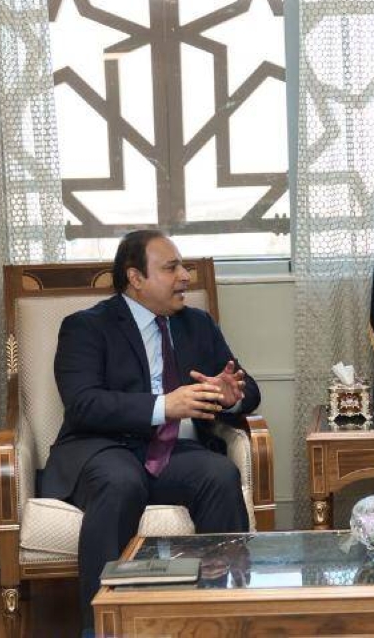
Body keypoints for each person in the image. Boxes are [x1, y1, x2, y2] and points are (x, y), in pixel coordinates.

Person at [40, 230, 260, 632]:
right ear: (135, 278)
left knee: (219, 474)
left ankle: (220, 617)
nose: (185, 276)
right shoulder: (87, 326)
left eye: (184, 267)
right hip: (104, 449)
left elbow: (247, 387)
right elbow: (83, 403)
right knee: (120, 482)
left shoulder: (197, 324)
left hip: (174, 453)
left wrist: (230, 396)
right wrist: (164, 406)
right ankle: (102, 627)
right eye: (171, 268)